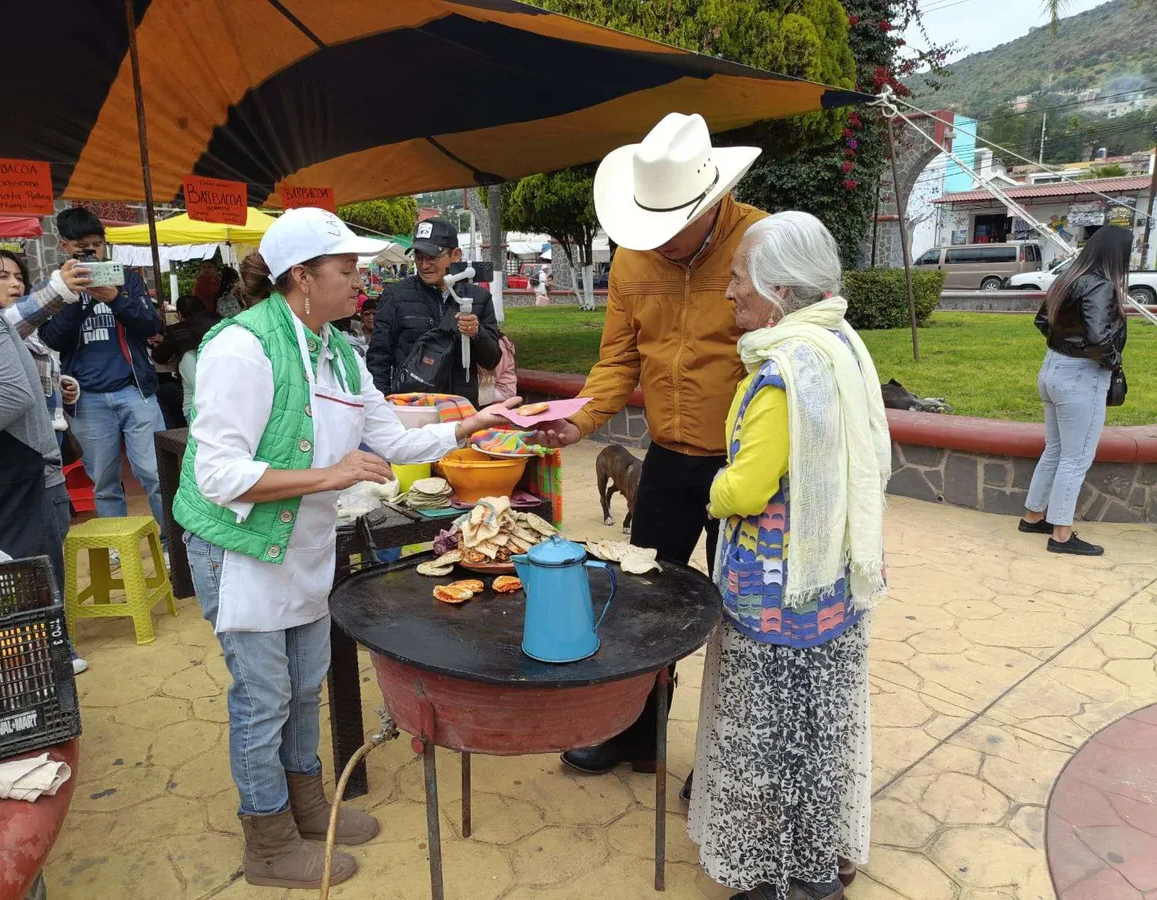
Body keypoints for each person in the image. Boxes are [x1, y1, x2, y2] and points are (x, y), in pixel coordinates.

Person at [172, 207, 518, 890]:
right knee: (263, 698)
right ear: (302, 277)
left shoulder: (335, 348)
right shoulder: (241, 348)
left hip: (300, 541)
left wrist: (471, 425)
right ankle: (267, 840)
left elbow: (390, 439)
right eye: (346, 270)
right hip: (239, 549)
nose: (361, 281)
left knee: (304, 689)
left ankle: (305, 808)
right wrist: (330, 475)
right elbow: (216, 475)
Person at [534, 112, 765, 781]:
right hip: (667, 460)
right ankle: (636, 735)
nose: (659, 240)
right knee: (639, 602)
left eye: (674, 225)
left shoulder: (761, 241)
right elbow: (617, 362)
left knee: (742, 615)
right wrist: (579, 422)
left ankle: (727, 764)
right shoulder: (635, 256)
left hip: (748, 464)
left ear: (712, 199)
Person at [688, 211, 887, 900]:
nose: (730, 292)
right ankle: (822, 865)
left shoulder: (780, 373)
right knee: (817, 734)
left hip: (776, 595)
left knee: (773, 738)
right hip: (831, 584)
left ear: (777, 289)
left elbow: (747, 484)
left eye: (739, 278)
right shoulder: (840, 347)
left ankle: (778, 878)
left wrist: (710, 490)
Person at [0, 251, 95, 674]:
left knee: (38, 577)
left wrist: (61, 389)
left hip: (35, 468)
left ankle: (58, 653)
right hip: (18, 466)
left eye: (19, 276)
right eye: (2, 276)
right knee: (32, 575)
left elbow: (14, 392)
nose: (14, 284)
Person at [40, 207, 168, 546]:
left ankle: (174, 544)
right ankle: (118, 546)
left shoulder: (127, 277)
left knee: (155, 473)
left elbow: (152, 325)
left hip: (135, 390)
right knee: (104, 482)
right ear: (64, 246)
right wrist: (77, 300)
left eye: (97, 245)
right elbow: (50, 339)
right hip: (87, 399)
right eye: (83, 247)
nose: (92, 253)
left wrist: (115, 298)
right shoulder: (55, 288)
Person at [1020, 225, 1130, 557]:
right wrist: (1114, 364)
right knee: (1076, 456)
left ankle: (1033, 515)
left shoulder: (1069, 278)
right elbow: (1098, 340)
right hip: (1080, 375)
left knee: (1055, 449)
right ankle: (1062, 535)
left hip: (1052, 367)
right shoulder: (1101, 286)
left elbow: (1043, 322)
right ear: (1115, 254)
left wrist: (1067, 344)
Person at [366, 217, 501, 407]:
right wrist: (382, 408)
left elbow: (492, 360)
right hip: (411, 409)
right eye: (418, 257)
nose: (424, 265)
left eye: (432, 257)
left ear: (456, 255)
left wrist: (476, 333)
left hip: (460, 410)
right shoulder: (395, 296)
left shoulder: (478, 298)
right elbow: (378, 359)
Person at [150, 295, 221, 423]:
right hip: (201, 406)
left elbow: (159, 356)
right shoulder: (214, 326)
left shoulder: (177, 330)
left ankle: (172, 429)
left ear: (180, 314)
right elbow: (205, 391)